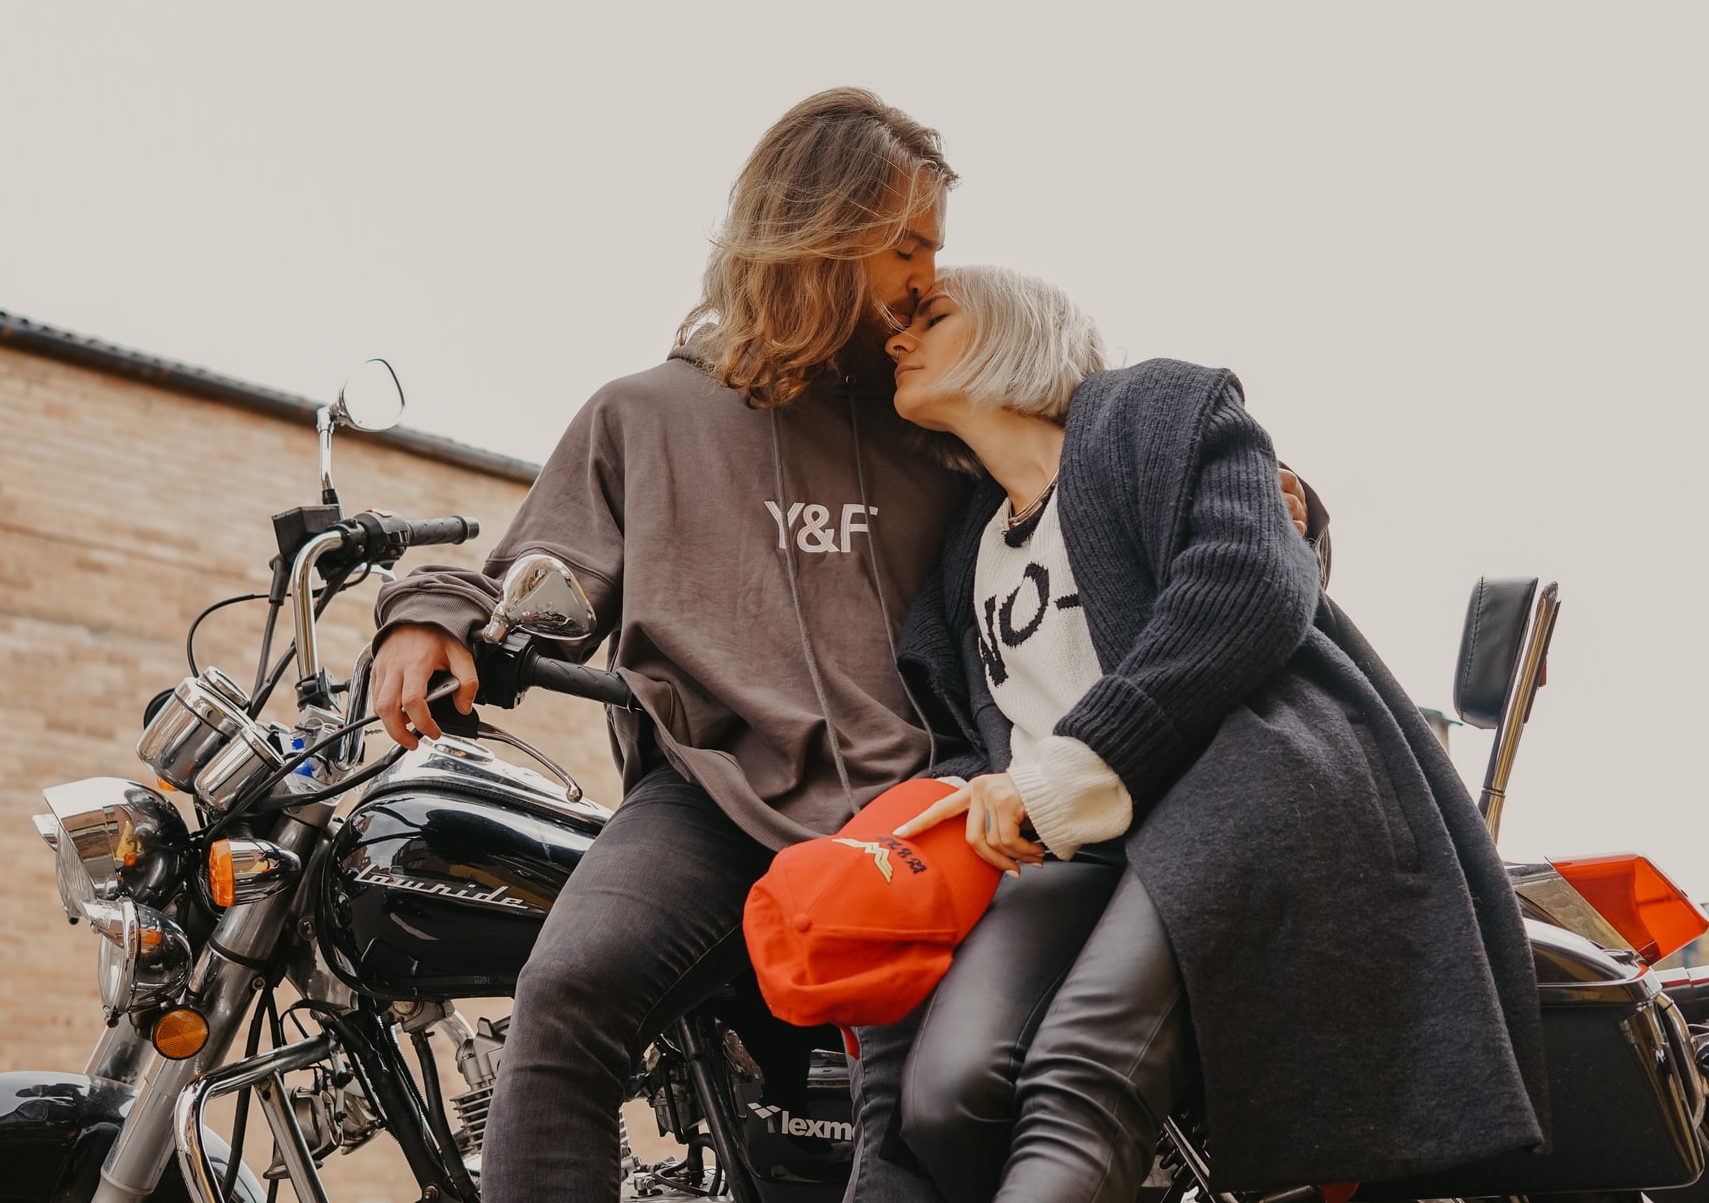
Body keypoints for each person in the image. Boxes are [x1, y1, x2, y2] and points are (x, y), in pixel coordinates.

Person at [368, 90, 1319, 1199]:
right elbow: (530, 565)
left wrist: (1284, 497)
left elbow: (1116, 459)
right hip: (712, 796)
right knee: (568, 992)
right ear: (817, 234)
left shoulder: (935, 403)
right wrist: (429, 610)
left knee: (906, 1110)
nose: (927, 278)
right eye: (906, 244)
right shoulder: (644, 415)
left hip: (926, 795)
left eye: (936, 249)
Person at [846, 266, 1549, 1203]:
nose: (898, 337)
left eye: (931, 315)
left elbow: (1250, 581)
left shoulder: (1157, 409)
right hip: (1069, 850)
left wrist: (1080, 764)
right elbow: (979, 735)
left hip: (1230, 798)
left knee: (1079, 1075)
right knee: (945, 1099)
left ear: (1016, 334)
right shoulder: (964, 547)